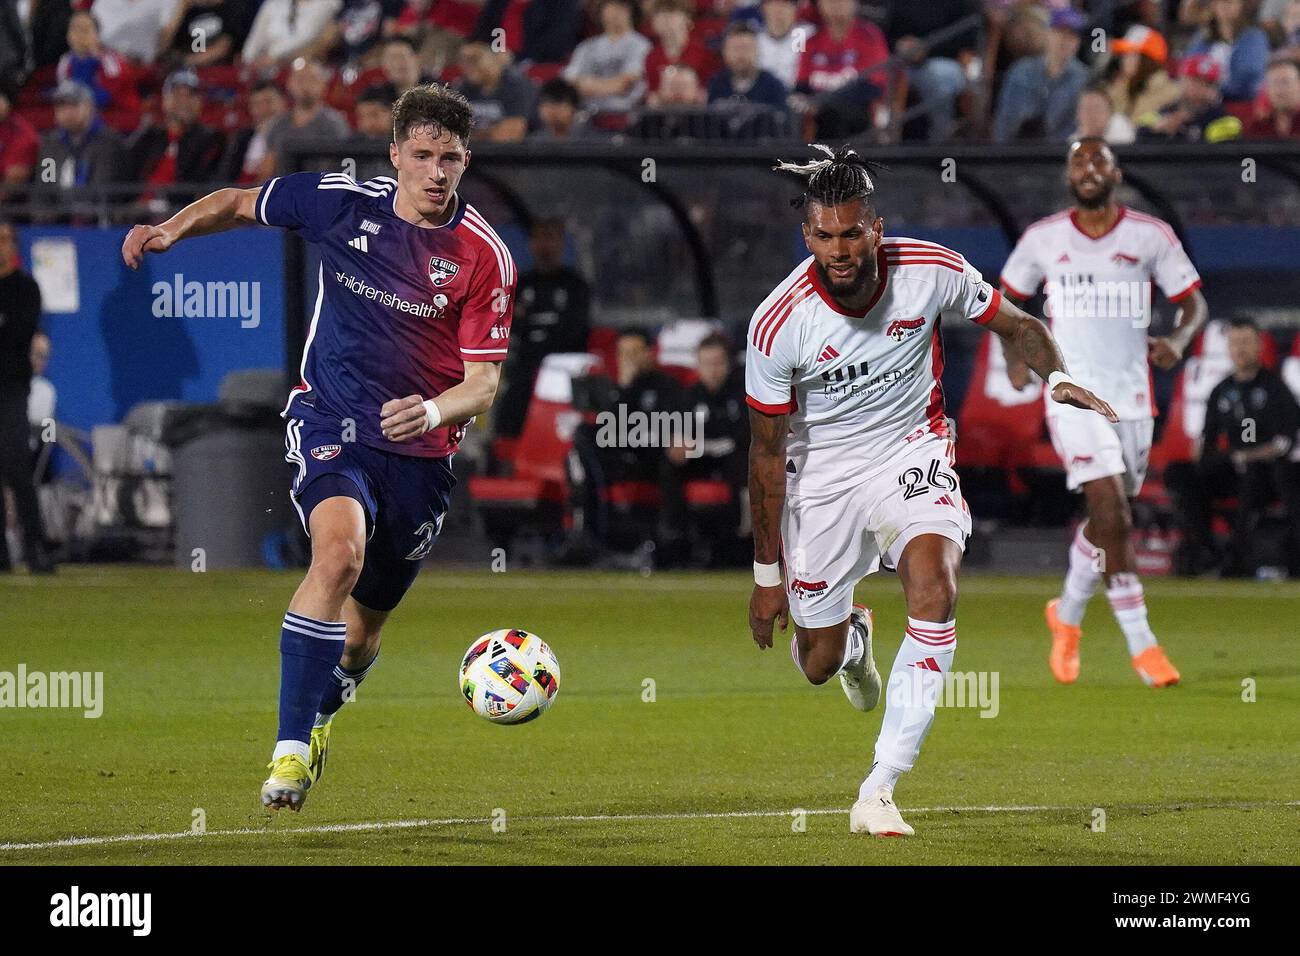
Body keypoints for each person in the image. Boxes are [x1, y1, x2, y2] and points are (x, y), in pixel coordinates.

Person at [121, 83, 517, 812]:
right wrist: (172, 228)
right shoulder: (340, 202)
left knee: (362, 635)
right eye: (422, 155)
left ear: (466, 162)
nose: (436, 172)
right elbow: (239, 201)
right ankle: (290, 748)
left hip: (422, 456)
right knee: (338, 554)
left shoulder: (483, 256)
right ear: (395, 153)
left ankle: (326, 710)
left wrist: (430, 409)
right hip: (330, 419)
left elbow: (483, 383)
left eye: (451, 159)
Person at [746, 145, 1116, 836]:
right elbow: (765, 456)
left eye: (852, 232)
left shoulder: (932, 270)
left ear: (876, 228)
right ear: (808, 236)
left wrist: (1057, 377)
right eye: (824, 236)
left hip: (910, 452)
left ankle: (880, 786)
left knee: (936, 587)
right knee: (817, 664)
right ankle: (852, 640)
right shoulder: (777, 322)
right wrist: (767, 575)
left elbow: (1019, 325)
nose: (839, 249)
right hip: (819, 479)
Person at [1000, 137, 1208, 690]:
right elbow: (1006, 304)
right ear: (1067, 174)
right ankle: (1144, 647)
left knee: (1107, 523)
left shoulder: (1149, 236)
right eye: (1078, 160)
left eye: (1099, 160)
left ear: (1117, 173)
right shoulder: (1043, 239)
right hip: (1070, 393)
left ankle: (1065, 615)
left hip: (1133, 400)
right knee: (1115, 516)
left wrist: (1180, 341)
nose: (1088, 168)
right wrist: (1017, 363)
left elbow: (1194, 303)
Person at [1167, 317, 1300, 577]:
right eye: (1235, 343)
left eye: (1246, 343)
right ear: (1227, 349)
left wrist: (1246, 455)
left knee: (1259, 473)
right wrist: (1208, 455)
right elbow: (1207, 441)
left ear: (1259, 347)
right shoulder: (1221, 391)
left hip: (1266, 475)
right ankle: (1204, 551)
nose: (1240, 349)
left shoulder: (1275, 389)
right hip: (1231, 469)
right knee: (1182, 473)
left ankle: (1242, 559)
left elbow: (1284, 443)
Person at [563, 327, 688, 562]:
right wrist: (624, 387)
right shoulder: (614, 389)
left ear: (650, 353)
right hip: (618, 459)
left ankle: (670, 541)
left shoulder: (667, 386)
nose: (627, 359)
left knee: (669, 459)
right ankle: (587, 535)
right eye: (622, 353)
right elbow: (609, 428)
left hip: (653, 458)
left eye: (633, 352)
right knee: (582, 439)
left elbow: (672, 427)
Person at [496, 217, 590, 437]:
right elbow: (509, 325)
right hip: (523, 366)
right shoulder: (520, 284)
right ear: (531, 243)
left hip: (562, 371)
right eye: (538, 237)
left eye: (550, 237)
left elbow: (575, 331)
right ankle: (502, 454)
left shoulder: (575, 285)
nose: (544, 245)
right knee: (507, 396)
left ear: (561, 242)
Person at [0, 220, 53, 574]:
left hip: (11, 388)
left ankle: (36, 550)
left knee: (17, 467)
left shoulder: (25, 288)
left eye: (5, 239)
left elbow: (18, 332)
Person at [670, 332, 748, 563]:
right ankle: (675, 540)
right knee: (670, 466)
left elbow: (744, 436)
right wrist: (676, 446)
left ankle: (740, 542)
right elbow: (677, 434)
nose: (712, 370)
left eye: (718, 363)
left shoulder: (742, 394)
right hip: (699, 458)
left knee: (743, 465)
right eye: (706, 364)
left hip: (733, 458)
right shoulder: (688, 397)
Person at [992, 8, 1089, 143]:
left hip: (1057, 155)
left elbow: (1075, 129)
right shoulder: (1022, 71)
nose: (1064, 41)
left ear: (1077, 42)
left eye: (1071, 36)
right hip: (1016, 152)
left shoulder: (1083, 79)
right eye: (1060, 33)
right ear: (1048, 34)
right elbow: (1005, 121)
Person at [561, 0, 652, 115]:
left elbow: (624, 83)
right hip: (587, 115)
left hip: (625, 113)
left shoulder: (641, 45)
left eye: (621, 7)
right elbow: (569, 80)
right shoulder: (587, 46)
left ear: (631, 11)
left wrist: (589, 85)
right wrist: (595, 86)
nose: (615, 12)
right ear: (601, 12)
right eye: (610, 7)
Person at [262, 59, 350, 176]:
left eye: (311, 80)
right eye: (300, 80)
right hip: (284, 189)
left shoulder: (334, 123)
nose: (305, 86)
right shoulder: (278, 124)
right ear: (289, 84)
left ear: (323, 84)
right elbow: (268, 168)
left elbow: (336, 166)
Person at [36, 79, 126, 191]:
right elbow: (45, 188)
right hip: (57, 208)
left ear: (89, 107)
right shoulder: (50, 145)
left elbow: (102, 191)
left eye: (73, 105)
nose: (66, 112)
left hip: (97, 207)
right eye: (60, 106)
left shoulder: (109, 143)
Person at [1137, 53, 1242, 143]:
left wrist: (1186, 130)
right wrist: (1159, 130)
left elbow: (1218, 153)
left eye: (1208, 84)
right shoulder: (1164, 113)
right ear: (1182, 82)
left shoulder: (1226, 121)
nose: (1200, 90)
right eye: (1194, 82)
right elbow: (1140, 134)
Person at [1186, 0, 1271, 103]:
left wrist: (1214, 92)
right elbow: (1188, 67)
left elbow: (1249, 77)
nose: (1224, 6)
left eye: (1229, 2)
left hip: (1237, 102)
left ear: (1240, 6)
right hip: (1199, 100)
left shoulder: (1254, 37)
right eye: (1219, 2)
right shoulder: (1202, 37)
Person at [453, 42, 535, 141]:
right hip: (475, 152)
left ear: (493, 60)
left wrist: (474, 135)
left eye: (475, 60)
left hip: (517, 152)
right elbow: (455, 135)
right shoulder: (463, 87)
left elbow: (512, 134)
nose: (467, 66)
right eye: (464, 61)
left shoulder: (515, 85)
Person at [1105, 25, 1179, 126]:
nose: (1124, 60)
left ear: (1147, 60)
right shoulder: (1122, 86)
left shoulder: (1169, 93)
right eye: (1124, 54)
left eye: (1130, 54)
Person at [707, 21, 788, 112]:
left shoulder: (773, 87)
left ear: (757, 51)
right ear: (725, 52)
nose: (741, 54)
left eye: (746, 48)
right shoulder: (717, 85)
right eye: (735, 49)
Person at [1243, 57, 1300, 139]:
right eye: (1274, 83)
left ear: (1298, 85)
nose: (1280, 90)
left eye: (1286, 82)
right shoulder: (1258, 127)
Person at [1070, 84, 1136, 144]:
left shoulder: (1120, 124)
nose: (1092, 114)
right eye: (1087, 109)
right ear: (1078, 114)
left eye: (1097, 108)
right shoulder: (1072, 142)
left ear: (1110, 113)